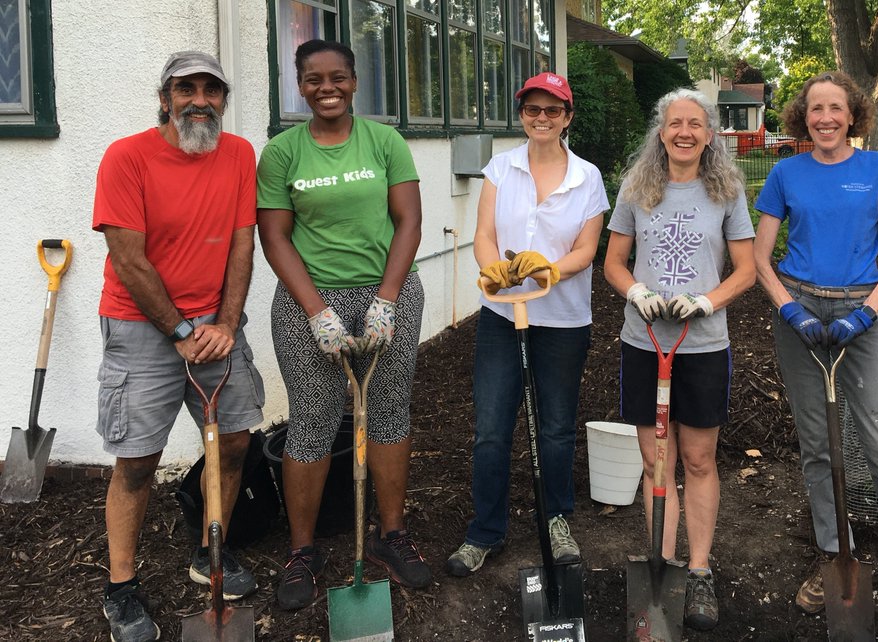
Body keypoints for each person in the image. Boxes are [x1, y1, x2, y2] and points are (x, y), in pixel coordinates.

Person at [752, 70, 878, 642]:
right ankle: (835, 556)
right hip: (801, 314)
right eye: (816, 109)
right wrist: (791, 311)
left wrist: (867, 314)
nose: (826, 118)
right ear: (802, 117)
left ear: (853, 114)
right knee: (818, 448)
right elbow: (763, 258)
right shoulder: (787, 172)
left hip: (862, 311)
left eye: (836, 108)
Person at [93, 50, 264, 642]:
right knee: (137, 460)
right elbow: (128, 260)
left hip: (217, 322)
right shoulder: (127, 157)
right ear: (164, 97)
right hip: (143, 326)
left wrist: (225, 321)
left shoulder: (239, 154)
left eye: (211, 90)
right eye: (185, 88)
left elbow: (242, 245)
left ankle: (207, 551)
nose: (199, 99)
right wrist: (183, 333)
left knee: (237, 441)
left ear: (222, 99)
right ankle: (120, 587)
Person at [257, 39, 428, 610]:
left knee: (388, 408)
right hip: (310, 299)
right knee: (312, 416)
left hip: (387, 291)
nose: (326, 88)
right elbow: (275, 236)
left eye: (337, 78)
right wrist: (315, 310)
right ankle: (302, 551)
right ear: (300, 86)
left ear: (355, 83)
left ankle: (392, 534)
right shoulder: (282, 152)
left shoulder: (384, 141)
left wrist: (387, 299)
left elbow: (409, 222)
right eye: (313, 79)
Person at [603, 88, 756, 631]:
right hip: (645, 342)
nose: (684, 132)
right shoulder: (637, 187)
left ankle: (699, 570)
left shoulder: (727, 191)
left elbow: (746, 269)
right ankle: (661, 566)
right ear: (661, 132)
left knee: (698, 460)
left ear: (710, 133)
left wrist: (707, 300)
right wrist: (636, 291)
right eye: (675, 124)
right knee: (655, 462)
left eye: (695, 123)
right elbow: (614, 262)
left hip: (703, 344)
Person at [445, 72, 609, 576]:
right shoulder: (501, 168)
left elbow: (587, 248)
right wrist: (492, 268)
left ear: (567, 117)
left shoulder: (588, 177)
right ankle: (485, 532)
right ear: (521, 115)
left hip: (562, 321)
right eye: (533, 109)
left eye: (552, 110)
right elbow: (484, 235)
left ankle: (557, 520)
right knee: (492, 428)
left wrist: (551, 269)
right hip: (502, 315)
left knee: (556, 428)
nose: (542, 118)